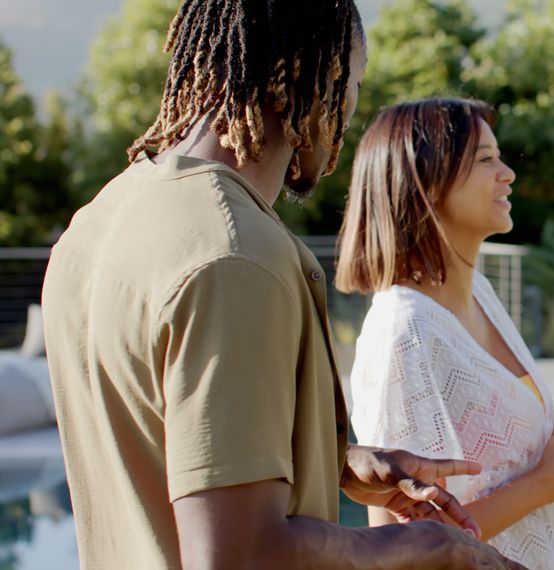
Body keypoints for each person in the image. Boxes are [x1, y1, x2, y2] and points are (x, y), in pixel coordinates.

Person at [41, 2, 523, 569]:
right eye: (353, 81)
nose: (349, 111)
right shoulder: (237, 257)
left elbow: (161, 438)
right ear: (302, 75)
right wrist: (431, 546)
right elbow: (238, 556)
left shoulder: (97, 224)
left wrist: (336, 461)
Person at [335, 97, 554, 569]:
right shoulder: (403, 333)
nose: (508, 173)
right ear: (427, 182)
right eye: (486, 160)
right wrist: (548, 485)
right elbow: (406, 544)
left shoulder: (482, 294)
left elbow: (499, 452)